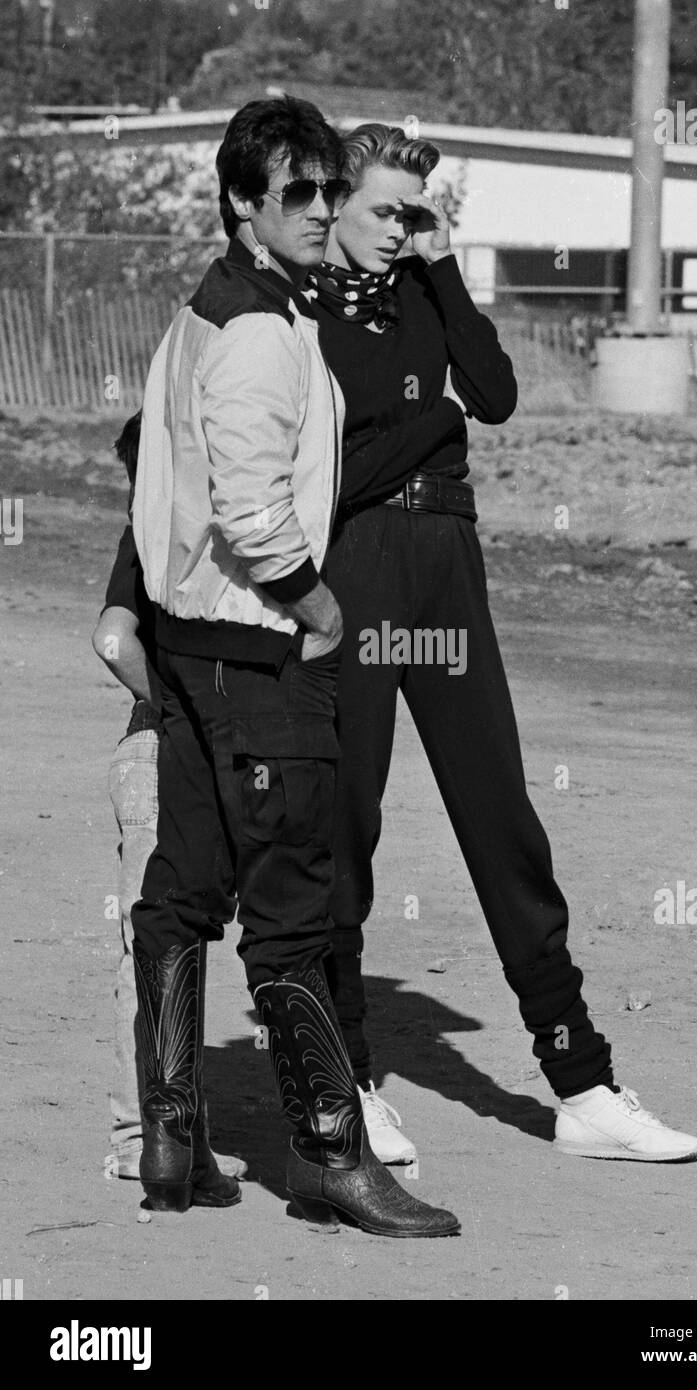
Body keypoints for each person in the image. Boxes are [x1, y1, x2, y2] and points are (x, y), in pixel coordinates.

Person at [308, 123, 697, 1166]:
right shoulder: (295, 309)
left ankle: (581, 1081)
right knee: (343, 829)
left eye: (416, 215)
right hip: (350, 566)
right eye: (387, 211)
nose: (401, 229)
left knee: (502, 818)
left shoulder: (423, 292)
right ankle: (343, 1077)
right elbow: (327, 463)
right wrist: (428, 426)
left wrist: (440, 274)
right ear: (335, 201)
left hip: (446, 561)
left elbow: (494, 395)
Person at [128, 98, 459, 1237]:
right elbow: (253, 510)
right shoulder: (260, 329)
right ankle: (328, 1154)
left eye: (330, 189)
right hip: (257, 658)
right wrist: (318, 606)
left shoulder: (209, 311)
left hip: (188, 653)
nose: (322, 211)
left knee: (181, 893)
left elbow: (151, 462)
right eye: (299, 195)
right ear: (243, 204)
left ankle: (175, 1136)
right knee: (294, 914)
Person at [92, 416, 246, 1184]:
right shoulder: (174, 537)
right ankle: (139, 1137)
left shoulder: (151, 536)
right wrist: (181, 709)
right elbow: (113, 643)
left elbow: (119, 639)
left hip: (157, 751)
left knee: (158, 943)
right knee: (163, 946)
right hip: (167, 750)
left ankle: (161, 1136)